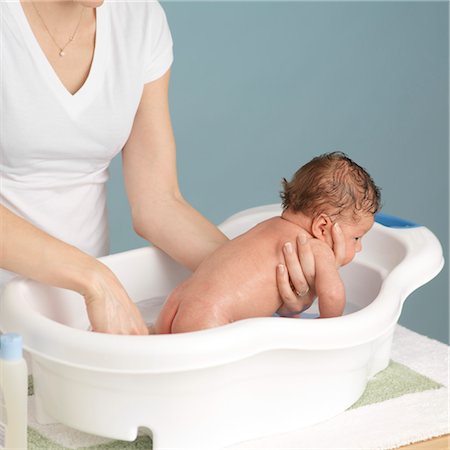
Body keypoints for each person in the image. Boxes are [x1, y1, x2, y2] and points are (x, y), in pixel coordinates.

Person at [0, 0, 321, 335]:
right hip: (48, 302)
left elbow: (159, 204)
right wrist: (92, 277)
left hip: (83, 321)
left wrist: (261, 275)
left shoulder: (139, 18)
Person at [154, 152, 381, 334]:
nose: (359, 247)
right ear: (322, 227)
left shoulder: (266, 227)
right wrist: (329, 329)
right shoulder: (316, 248)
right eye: (357, 238)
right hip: (212, 319)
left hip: (175, 304)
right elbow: (332, 294)